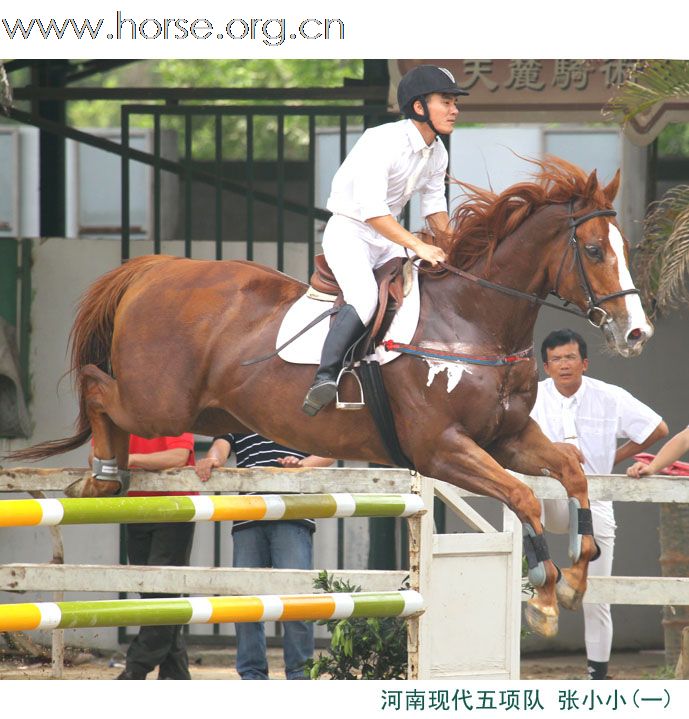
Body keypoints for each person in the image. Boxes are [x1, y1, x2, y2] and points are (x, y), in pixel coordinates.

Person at [302, 65, 469, 416]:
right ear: (420, 107)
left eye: (455, 102)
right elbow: (372, 211)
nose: (455, 110)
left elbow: (435, 209)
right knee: (364, 298)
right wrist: (419, 245)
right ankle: (325, 376)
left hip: (387, 237)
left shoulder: (437, 151)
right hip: (351, 231)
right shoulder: (381, 141)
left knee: (429, 288)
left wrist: (456, 248)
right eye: (447, 101)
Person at [530, 328, 668, 680]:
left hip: (594, 498)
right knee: (520, 499)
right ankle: (546, 579)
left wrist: (611, 458)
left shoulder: (610, 396)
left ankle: (597, 675)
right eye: (557, 359)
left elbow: (658, 429)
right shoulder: (531, 396)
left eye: (570, 358)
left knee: (597, 594)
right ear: (546, 366)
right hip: (549, 496)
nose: (564, 365)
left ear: (584, 363)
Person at [196, 432, 333, 680]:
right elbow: (222, 443)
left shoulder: (301, 407)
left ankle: (300, 674)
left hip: (293, 512)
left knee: (296, 600)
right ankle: (252, 675)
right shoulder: (239, 411)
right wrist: (212, 458)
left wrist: (302, 465)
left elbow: (331, 449)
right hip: (249, 516)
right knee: (246, 602)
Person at [90, 433, 197, 680]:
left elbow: (178, 457)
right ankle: (175, 673)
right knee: (153, 593)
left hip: (174, 507)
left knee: (159, 591)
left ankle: (135, 669)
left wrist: (131, 458)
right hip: (137, 507)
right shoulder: (115, 412)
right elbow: (96, 456)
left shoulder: (170, 406)